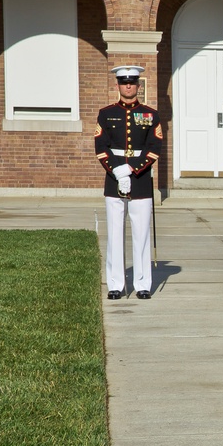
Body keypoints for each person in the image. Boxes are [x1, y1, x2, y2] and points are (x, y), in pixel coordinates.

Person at [95, 65, 163, 300]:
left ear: (138, 86)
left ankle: (143, 284)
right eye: (124, 83)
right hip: (114, 180)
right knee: (114, 233)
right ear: (117, 86)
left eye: (132, 83)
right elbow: (100, 147)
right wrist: (118, 171)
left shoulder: (151, 114)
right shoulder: (105, 113)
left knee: (141, 233)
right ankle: (115, 284)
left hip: (141, 180)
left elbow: (155, 148)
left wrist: (132, 170)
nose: (128, 86)